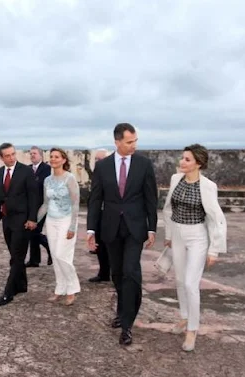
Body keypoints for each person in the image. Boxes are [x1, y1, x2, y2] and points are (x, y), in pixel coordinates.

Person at [86, 123, 158, 346]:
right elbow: (95, 199)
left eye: (135, 141)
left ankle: (127, 324)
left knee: (130, 271)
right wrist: (91, 230)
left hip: (135, 228)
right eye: (129, 142)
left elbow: (151, 198)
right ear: (117, 142)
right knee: (117, 273)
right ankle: (123, 310)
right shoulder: (103, 167)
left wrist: (151, 227)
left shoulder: (144, 165)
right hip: (110, 228)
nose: (133, 145)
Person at [162, 144, 227, 351]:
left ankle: (192, 329)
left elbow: (217, 218)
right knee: (180, 281)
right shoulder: (175, 179)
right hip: (178, 234)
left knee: (191, 284)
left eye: (187, 159)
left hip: (197, 236)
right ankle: (184, 317)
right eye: (182, 158)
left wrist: (214, 249)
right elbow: (169, 209)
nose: (182, 162)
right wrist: (170, 235)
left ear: (198, 163)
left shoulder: (208, 186)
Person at [0, 143, 38, 307]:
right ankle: (22, 285)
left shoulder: (26, 171)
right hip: (7, 220)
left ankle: (8, 293)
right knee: (15, 254)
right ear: (1, 157)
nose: (11, 158)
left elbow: (34, 196)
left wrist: (32, 218)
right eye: (7, 155)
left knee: (17, 256)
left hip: (22, 220)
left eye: (13, 154)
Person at [37, 148, 81, 305]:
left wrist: (72, 227)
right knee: (55, 255)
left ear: (63, 160)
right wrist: (35, 220)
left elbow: (76, 204)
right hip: (51, 221)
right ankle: (60, 288)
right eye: (52, 156)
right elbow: (45, 204)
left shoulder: (70, 179)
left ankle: (72, 288)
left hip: (66, 220)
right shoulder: (47, 180)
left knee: (63, 255)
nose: (53, 159)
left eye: (57, 157)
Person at [26, 146, 52, 267]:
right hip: (30, 205)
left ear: (41, 155)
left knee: (35, 231)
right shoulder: (27, 169)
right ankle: (35, 260)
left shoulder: (47, 169)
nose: (32, 155)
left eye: (34, 153)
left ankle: (49, 248)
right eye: (31, 154)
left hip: (43, 205)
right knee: (32, 232)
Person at [88, 149, 111, 283]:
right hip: (99, 214)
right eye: (96, 159)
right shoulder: (96, 174)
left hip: (110, 214)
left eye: (100, 159)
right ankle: (103, 273)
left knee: (111, 246)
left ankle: (115, 274)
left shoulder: (111, 174)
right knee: (100, 245)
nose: (98, 162)